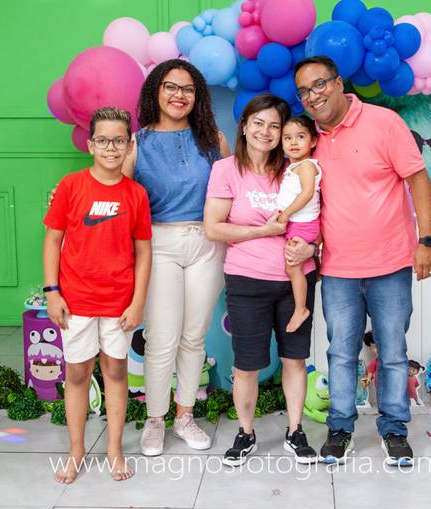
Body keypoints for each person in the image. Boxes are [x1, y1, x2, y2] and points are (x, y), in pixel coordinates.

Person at [290, 56, 431, 467]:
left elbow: (418, 179)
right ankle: (340, 429)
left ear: (339, 83)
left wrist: (427, 241)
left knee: (392, 352)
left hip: (390, 265)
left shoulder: (383, 122)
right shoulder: (310, 140)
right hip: (338, 269)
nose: (312, 96)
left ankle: (394, 430)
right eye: (303, 91)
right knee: (341, 353)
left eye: (319, 84)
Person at [204, 94, 319, 466]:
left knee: (294, 360)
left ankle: (295, 431)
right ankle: (245, 433)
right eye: (258, 123)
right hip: (247, 280)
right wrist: (263, 231)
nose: (265, 132)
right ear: (244, 126)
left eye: (274, 126)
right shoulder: (225, 169)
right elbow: (213, 228)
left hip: (295, 281)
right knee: (246, 365)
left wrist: (312, 248)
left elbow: (322, 217)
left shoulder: (295, 168)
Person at [124, 59, 231, 456]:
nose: (179, 95)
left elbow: (234, 191)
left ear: (196, 96)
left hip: (207, 244)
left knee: (193, 336)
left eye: (188, 89)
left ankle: (185, 416)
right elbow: (113, 191)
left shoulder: (214, 140)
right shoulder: (137, 143)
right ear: (156, 90)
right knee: (161, 338)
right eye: (171, 86)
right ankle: (155, 419)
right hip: (158, 244)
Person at [44, 107, 152, 483]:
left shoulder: (136, 194)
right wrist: (52, 291)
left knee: (116, 370)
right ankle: (76, 451)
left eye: (118, 140)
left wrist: (138, 302)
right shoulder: (71, 186)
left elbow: (144, 252)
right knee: (77, 373)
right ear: (90, 145)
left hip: (119, 302)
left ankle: (114, 449)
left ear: (129, 145)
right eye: (103, 140)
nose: (110, 148)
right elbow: (52, 241)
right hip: (76, 301)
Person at [275, 115, 322, 333]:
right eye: (287, 138)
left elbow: (307, 194)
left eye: (300, 137)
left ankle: (301, 308)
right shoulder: (293, 166)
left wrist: (285, 214)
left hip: (302, 224)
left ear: (313, 141)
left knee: (292, 268)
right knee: (292, 267)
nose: (293, 142)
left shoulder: (307, 166)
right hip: (297, 223)